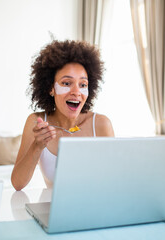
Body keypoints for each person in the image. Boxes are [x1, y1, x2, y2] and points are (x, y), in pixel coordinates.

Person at [11, 40, 114, 191]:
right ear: (51, 88)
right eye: (67, 83)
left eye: (83, 84)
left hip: (93, 210)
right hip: (51, 211)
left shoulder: (100, 125)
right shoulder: (36, 123)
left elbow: (114, 181)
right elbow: (17, 184)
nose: (76, 92)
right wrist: (37, 146)